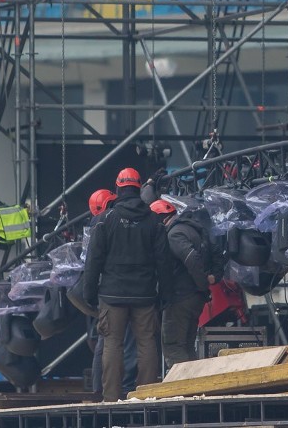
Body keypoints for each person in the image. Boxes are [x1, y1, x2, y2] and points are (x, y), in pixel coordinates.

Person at [83, 168, 173, 401]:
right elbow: (164, 262)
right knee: (146, 343)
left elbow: (94, 260)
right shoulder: (155, 222)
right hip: (145, 295)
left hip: (112, 296)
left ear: (118, 189)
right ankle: (146, 397)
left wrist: (89, 293)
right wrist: (165, 294)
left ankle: (111, 398)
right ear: (138, 187)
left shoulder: (105, 220)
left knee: (112, 344)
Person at [150, 199, 224, 368]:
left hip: (180, 296)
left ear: (161, 219)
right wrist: (214, 277)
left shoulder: (174, 234)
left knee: (173, 346)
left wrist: (202, 284)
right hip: (195, 298)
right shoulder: (196, 229)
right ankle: (194, 387)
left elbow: (191, 258)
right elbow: (217, 253)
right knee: (187, 345)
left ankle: (183, 388)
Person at [85, 189, 138, 398]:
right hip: (118, 293)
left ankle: (101, 390)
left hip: (104, 295)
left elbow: (91, 265)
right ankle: (125, 388)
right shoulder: (108, 225)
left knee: (105, 342)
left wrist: (90, 296)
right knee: (125, 341)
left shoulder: (97, 226)